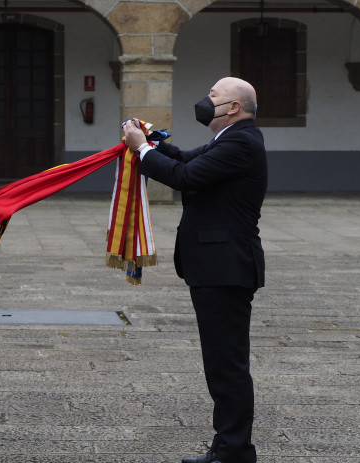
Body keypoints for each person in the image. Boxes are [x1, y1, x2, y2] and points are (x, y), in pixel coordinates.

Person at [122, 77, 267, 463]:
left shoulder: (241, 142)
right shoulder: (230, 139)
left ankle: (235, 450)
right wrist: (152, 144)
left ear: (233, 107)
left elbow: (184, 177)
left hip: (226, 268)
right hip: (215, 267)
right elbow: (186, 158)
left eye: (214, 96)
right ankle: (227, 446)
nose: (206, 101)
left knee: (228, 366)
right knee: (220, 363)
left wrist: (141, 153)